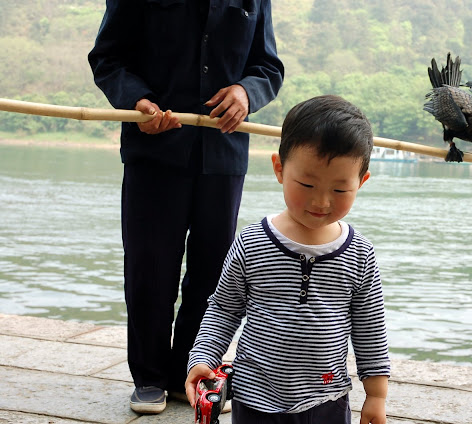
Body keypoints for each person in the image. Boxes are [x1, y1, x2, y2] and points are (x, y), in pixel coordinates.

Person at [87, 0, 284, 414]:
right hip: (153, 151)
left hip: (223, 152)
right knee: (149, 267)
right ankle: (149, 377)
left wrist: (246, 92)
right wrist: (136, 100)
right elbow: (107, 58)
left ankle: (189, 372)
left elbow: (268, 67)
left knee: (213, 271)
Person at [186, 95, 391, 424]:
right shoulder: (251, 243)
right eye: (307, 184)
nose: (321, 201)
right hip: (255, 398)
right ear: (279, 169)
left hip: (327, 397)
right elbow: (224, 308)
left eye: (340, 190)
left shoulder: (359, 254)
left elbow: (370, 329)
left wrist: (376, 395)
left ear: (361, 181)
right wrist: (202, 358)